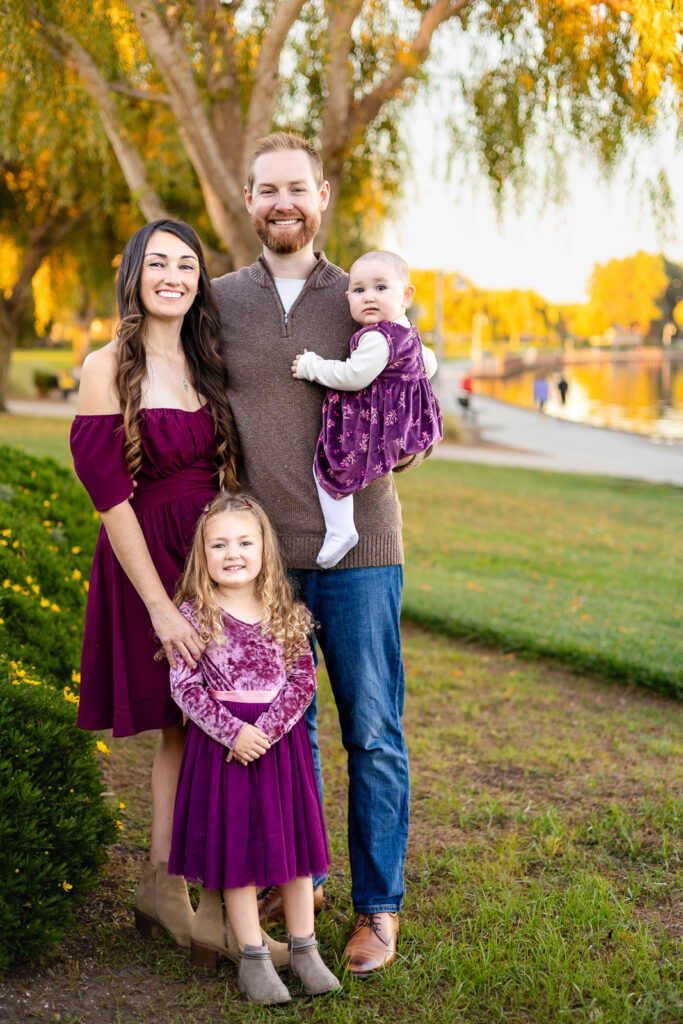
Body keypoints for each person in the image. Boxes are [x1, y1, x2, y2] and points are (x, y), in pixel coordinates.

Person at [213, 132, 428, 976]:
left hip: (362, 552)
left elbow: (412, 401)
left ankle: (377, 910)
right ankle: (290, 882)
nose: (282, 203)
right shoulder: (220, 300)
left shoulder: (366, 294)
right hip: (265, 562)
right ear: (248, 198)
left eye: (296, 188)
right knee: (284, 732)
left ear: (323, 194)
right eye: (267, 189)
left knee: (371, 732)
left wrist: (387, 449)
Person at [70, 219, 244, 951]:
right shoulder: (105, 366)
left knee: (215, 723)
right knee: (178, 727)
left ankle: (204, 882)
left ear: (199, 281)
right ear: (136, 275)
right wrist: (161, 610)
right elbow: (110, 500)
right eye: (159, 263)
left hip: (211, 559)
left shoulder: (209, 363)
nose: (173, 275)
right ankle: (168, 888)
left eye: (187, 265)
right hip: (148, 561)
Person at [167, 493, 340, 1004]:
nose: (233, 553)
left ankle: (305, 950)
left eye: (245, 542)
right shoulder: (195, 615)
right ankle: (252, 956)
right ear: (203, 554)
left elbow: (304, 682)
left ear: (266, 548)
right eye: (219, 545)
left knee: (293, 851)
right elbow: (185, 687)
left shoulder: (285, 609)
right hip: (225, 749)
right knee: (237, 851)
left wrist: (267, 729)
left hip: (276, 744)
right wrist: (233, 733)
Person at [291, 250, 442, 569]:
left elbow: (353, 376)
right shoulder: (408, 332)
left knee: (331, 465)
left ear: (406, 295)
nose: (369, 297)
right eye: (359, 290)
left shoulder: (376, 337)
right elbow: (429, 364)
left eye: (380, 288)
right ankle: (341, 528)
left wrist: (312, 365)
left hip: (371, 423)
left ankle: (341, 529)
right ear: (348, 298)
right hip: (400, 422)